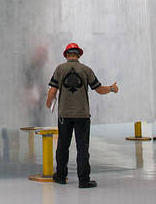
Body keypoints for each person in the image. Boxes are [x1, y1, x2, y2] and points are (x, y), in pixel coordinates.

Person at [45, 42, 119, 188]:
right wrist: (112, 88)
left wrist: (49, 104)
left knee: (62, 146)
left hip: (64, 115)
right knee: (83, 147)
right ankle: (84, 180)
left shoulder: (59, 69)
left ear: (66, 55)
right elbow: (99, 90)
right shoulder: (86, 70)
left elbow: (52, 91)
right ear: (78, 55)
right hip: (82, 115)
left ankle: (60, 176)